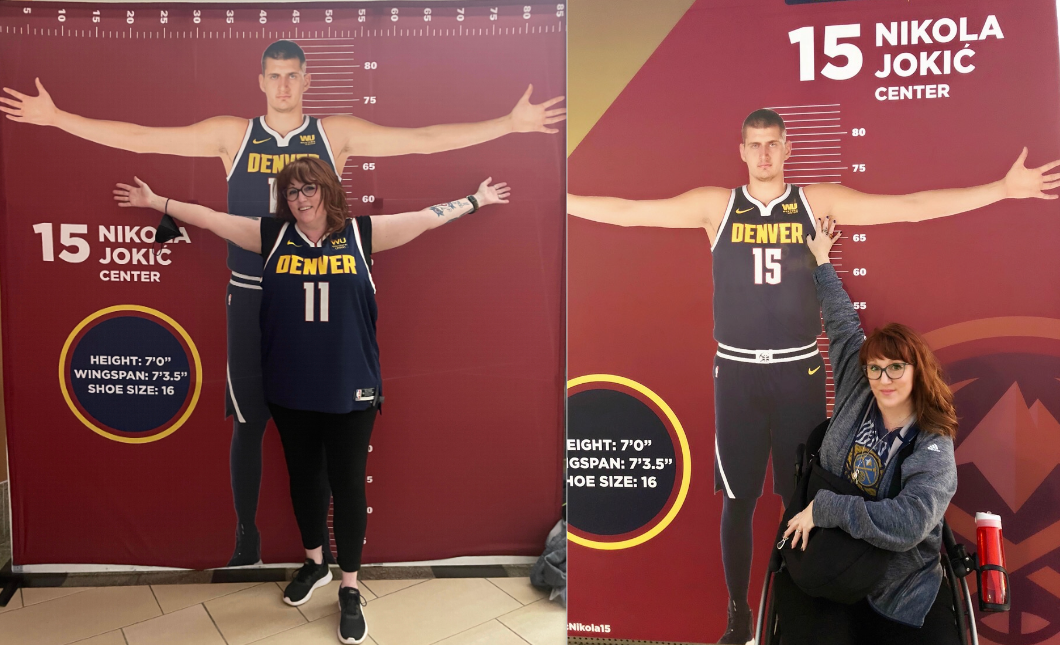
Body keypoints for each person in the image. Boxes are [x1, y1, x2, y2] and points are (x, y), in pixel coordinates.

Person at [2, 39, 565, 566]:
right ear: (262, 82)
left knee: (322, 421)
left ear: (306, 81)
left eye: (293, 77)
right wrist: (58, 119)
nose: (284, 87)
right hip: (252, 292)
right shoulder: (232, 135)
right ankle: (247, 534)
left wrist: (509, 125)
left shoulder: (335, 133)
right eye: (275, 77)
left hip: (314, 297)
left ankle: (324, 557)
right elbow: (146, 136)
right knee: (249, 420)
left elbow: (422, 137)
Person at [566, 108, 1058, 643]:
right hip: (736, 370)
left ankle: (811, 594)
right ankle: (738, 612)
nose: (763, 155)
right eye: (753, 145)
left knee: (804, 490)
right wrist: (561, 198)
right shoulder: (718, 205)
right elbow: (633, 212)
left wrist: (1002, 190)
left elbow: (907, 208)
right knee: (738, 497)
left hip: (799, 367)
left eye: (772, 144)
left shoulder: (813, 201)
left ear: (787, 148)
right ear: (741, 150)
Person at [113, 156, 511, 644]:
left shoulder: (363, 234)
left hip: (351, 384)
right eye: (292, 193)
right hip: (290, 386)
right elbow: (211, 219)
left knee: (346, 485)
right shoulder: (271, 235)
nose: (300, 200)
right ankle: (314, 563)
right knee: (304, 480)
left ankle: (349, 587)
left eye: (308, 190)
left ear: (327, 190)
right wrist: (157, 202)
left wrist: (475, 200)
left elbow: (427, 218)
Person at [774, 215, 959, 644]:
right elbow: (841, 324)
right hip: (826, 564)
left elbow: (911, 521)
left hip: (896, 587)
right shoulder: (859, 389)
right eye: (876, 367)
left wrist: (827, 509)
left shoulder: (931, 441)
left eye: (897, 367)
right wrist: (821, 259)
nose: (884, 378)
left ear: (918, 373)